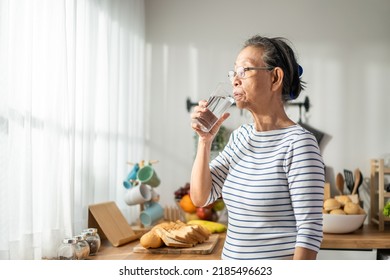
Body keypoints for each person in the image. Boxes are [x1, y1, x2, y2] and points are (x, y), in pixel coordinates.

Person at [190, 35, 325, 260]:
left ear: (275, 78)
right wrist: (205, 141)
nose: (235, 80)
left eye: (244, 70)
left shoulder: (299, 144)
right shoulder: (240, 138)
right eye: (234, 72)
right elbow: (201, 197)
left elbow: (309, 233)